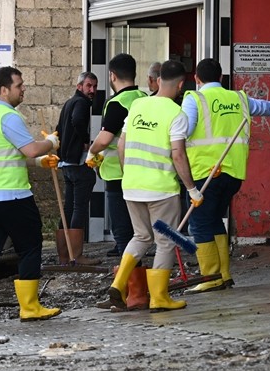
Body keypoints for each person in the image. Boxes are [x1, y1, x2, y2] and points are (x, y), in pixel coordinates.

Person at [180, 57, 270, 293]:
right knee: (214, 221)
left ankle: (210, 278)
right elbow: (262, 105)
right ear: (221, 78)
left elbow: (183, 131)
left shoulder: (195, 99)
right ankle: (224, 275)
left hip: (205, 173)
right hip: (233, 174)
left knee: (199, 225)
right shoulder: (239, 98)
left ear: (197, 79)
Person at [0, 66, 61, 327]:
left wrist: (40, 164)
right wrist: (51, 142)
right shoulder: (9, 116)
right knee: (30, 245)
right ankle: (30, 307)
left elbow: (8, 156)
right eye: (19, 86)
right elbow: (30, 149)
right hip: (13, 196)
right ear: (4, 89)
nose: (24, 90)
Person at [106, 60, 200, 313]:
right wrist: (191, 188)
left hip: (132, 185)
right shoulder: (175, 114)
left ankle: (118, 282)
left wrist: (129, 175)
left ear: (158, 81)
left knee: (141, 236)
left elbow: (121, 146)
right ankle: (159, 298)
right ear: (180, 85)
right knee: (166, 241)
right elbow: (178, 155)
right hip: (160, 190)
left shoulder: (137, 105)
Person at [86, 54, 146, 259]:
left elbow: (104, 140)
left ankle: (128, 279)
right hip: (143, 171)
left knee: (122, 230)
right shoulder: (144, 99)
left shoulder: (116, 103)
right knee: (139, 229)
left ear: (112, 75)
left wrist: (91, 151)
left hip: (117, 174)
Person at [53, 71, 99, 263]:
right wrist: (85, 142)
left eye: (95, 86)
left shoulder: (69, 102)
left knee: (69, 207)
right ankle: (77, 255)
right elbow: (77, 121)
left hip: (67, 163)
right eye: (89, 86)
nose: (92, 90)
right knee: (79, 207)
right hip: (77, 163)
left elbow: (59, 127)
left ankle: (64, 255)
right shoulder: (81, 103)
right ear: (79, 86)